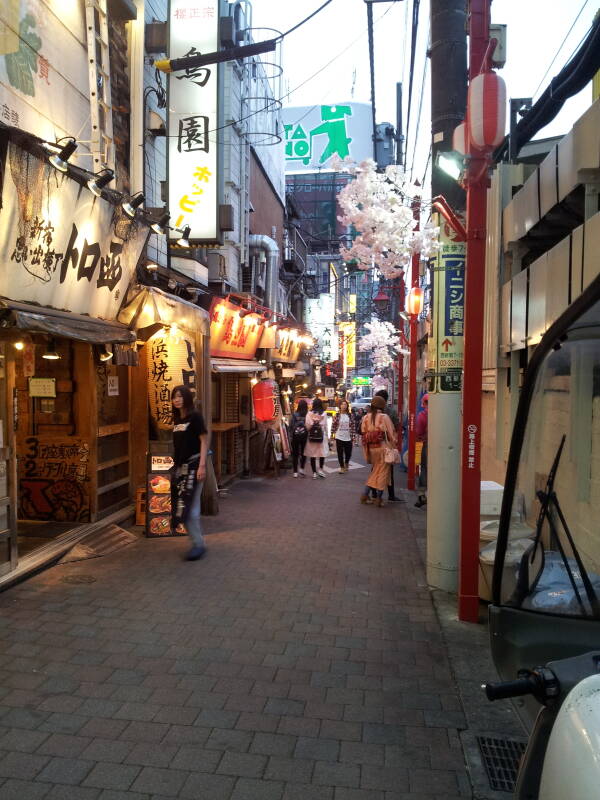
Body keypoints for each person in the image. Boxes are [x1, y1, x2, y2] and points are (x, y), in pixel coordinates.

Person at [171, 385, 209, 561]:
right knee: (182, 508)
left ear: (186, 397)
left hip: (195, 466)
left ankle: (198, 545)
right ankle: (197, 541)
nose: (176, 399)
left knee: (191, 510)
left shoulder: (195, 417)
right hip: (182, 469)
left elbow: (204, 440)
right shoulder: (177, 420)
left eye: (179, 396)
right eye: (174, 397)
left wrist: (202, 466)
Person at [360, 396, 397, 507]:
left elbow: (363, 432)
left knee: (376, 471)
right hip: (383, 448)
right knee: (382, 474)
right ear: (382, 406)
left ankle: (366, 496)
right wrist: (394, 444)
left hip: (371, 449)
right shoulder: (384, 417)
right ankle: (378, 499)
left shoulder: (366, 417)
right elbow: (391, 434)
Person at [373, 389, 403, 502]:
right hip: (388, 445)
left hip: (375, 446)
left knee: (375, 469)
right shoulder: (390, 412)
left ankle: (374, 493)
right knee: (389, 470)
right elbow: (397, 425)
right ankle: (390, 494)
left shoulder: (372, 413)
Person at [304, 397, 329, 478]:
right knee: (322, 454)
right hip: (321, 436)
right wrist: (328, 437)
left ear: (313, 404)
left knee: (312, 455)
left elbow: (307, 426)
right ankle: (320, 470)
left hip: (312, 436)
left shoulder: (309, 413)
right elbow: (325, 425)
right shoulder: (324, 414)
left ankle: (314, 473)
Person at [331, 400, 355, 473]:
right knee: (340, 453)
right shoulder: (337, 415)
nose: (344, 406)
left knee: (348, 453)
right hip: (339, 436)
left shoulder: (350, 415)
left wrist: (353, 437)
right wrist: (332, 436)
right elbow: (333, 426)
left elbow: (353, 426)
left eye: (345, 404)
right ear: (340, 406)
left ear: (347, 406)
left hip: (348, 437)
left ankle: (346, 462)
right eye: (342, 404)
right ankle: (342, 467)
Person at [415, 393, 428, 508]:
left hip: (427, 445)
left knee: (424, 469)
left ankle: (422, 494)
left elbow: (418, 432)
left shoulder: (423, 415)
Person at [290, 399, 308, 478]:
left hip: (295, 436)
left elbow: (291, 425)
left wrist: (291, 435)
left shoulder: (295, 414)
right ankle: (302, 468)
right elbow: (309, 425)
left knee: (295, 454)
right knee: (304, 453)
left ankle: (295, 472)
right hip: (304, 436)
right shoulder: (307, 415)